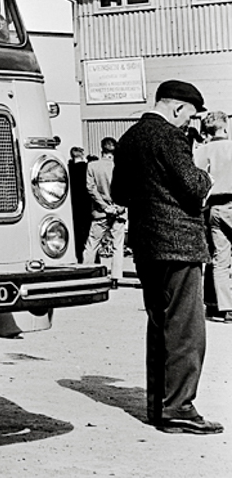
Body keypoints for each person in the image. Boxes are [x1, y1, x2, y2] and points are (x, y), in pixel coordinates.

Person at [112, 79, 222, 434]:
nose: (191, 124)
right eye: (190, 117)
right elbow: (194, 188)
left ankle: (159, 407)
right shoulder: (171, 138)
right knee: (186, 330)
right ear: (177, 109)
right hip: (180, 245)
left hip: (147, 245)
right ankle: (179, 407)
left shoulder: (130, 137)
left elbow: (119, 193)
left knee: (159, 325)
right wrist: (205, 171)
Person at [194, 109, 232, 323]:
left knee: (220, 258)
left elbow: (197, 178)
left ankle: (226, 307)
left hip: (214, 207)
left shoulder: (204, 150)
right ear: (225, 126)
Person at [85, 137, 126, 285]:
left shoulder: (92, 166)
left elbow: (90, 188)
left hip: (100, 211)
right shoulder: (121, 166)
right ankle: (115, 277)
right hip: (119, 211)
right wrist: (119, 207)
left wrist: (103, 205)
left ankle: (87, 274)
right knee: (117, 245)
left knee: (92, 244)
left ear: (102, 149)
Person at [68, 147, 91, 262]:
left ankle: (79, 256)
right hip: (87, 203)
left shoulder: (69, 169)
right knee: (89, 232)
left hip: (74, 204)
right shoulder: (88, 168)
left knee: (77, 232)